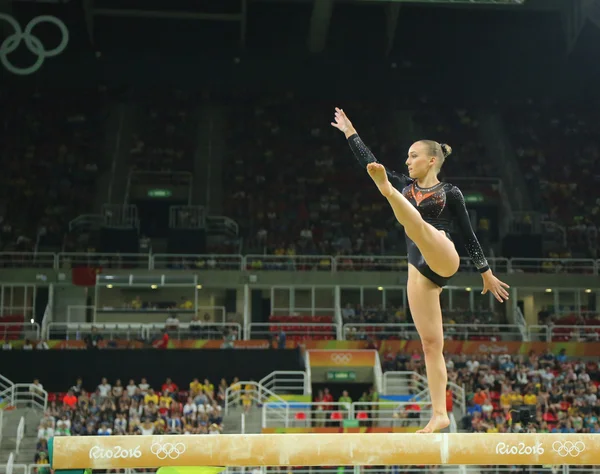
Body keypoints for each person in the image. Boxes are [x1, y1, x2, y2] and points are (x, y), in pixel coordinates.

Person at [331, 107, 509, 433]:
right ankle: (440, 413)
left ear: (431, 160)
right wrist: (350, 131)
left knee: (423, 229)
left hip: (443, 255)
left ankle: (388, 196)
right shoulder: (403, 182)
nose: (407, 161)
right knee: (431, 345)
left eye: (413, 156)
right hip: (419, 273)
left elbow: (469, 235)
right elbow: (371, 163)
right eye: (406, 157)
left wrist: (485, 271)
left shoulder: (450, 193)